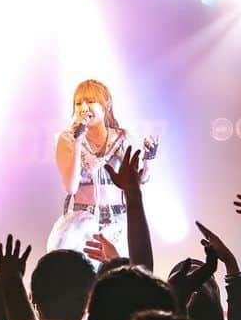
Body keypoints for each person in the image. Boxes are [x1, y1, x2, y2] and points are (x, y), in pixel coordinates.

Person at [47, 79, 158, 260]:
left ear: (106, 104)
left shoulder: (123, 137)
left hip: (119, 220)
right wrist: (78, 140)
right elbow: (70, 187)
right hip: (83, 222)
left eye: (90, 101)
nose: (84, 108)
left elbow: (139, 180)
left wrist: (148, 160)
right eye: (78, 103)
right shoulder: (66, 139)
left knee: (121, 276)